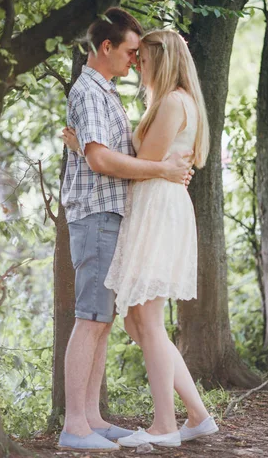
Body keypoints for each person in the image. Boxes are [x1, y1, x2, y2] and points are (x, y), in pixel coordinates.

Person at [64, 28, 219, 449]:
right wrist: (90, 152)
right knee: (138, 321)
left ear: (162, 61)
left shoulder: (171, 102)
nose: (138, 65)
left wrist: (87, 152)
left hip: (156, 209)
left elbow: (144, 162)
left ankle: (164, 426)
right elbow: (147, 161)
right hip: (151, 207)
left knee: (145, 321)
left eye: (144, 59)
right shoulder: (166, 101)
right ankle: (198, 415)